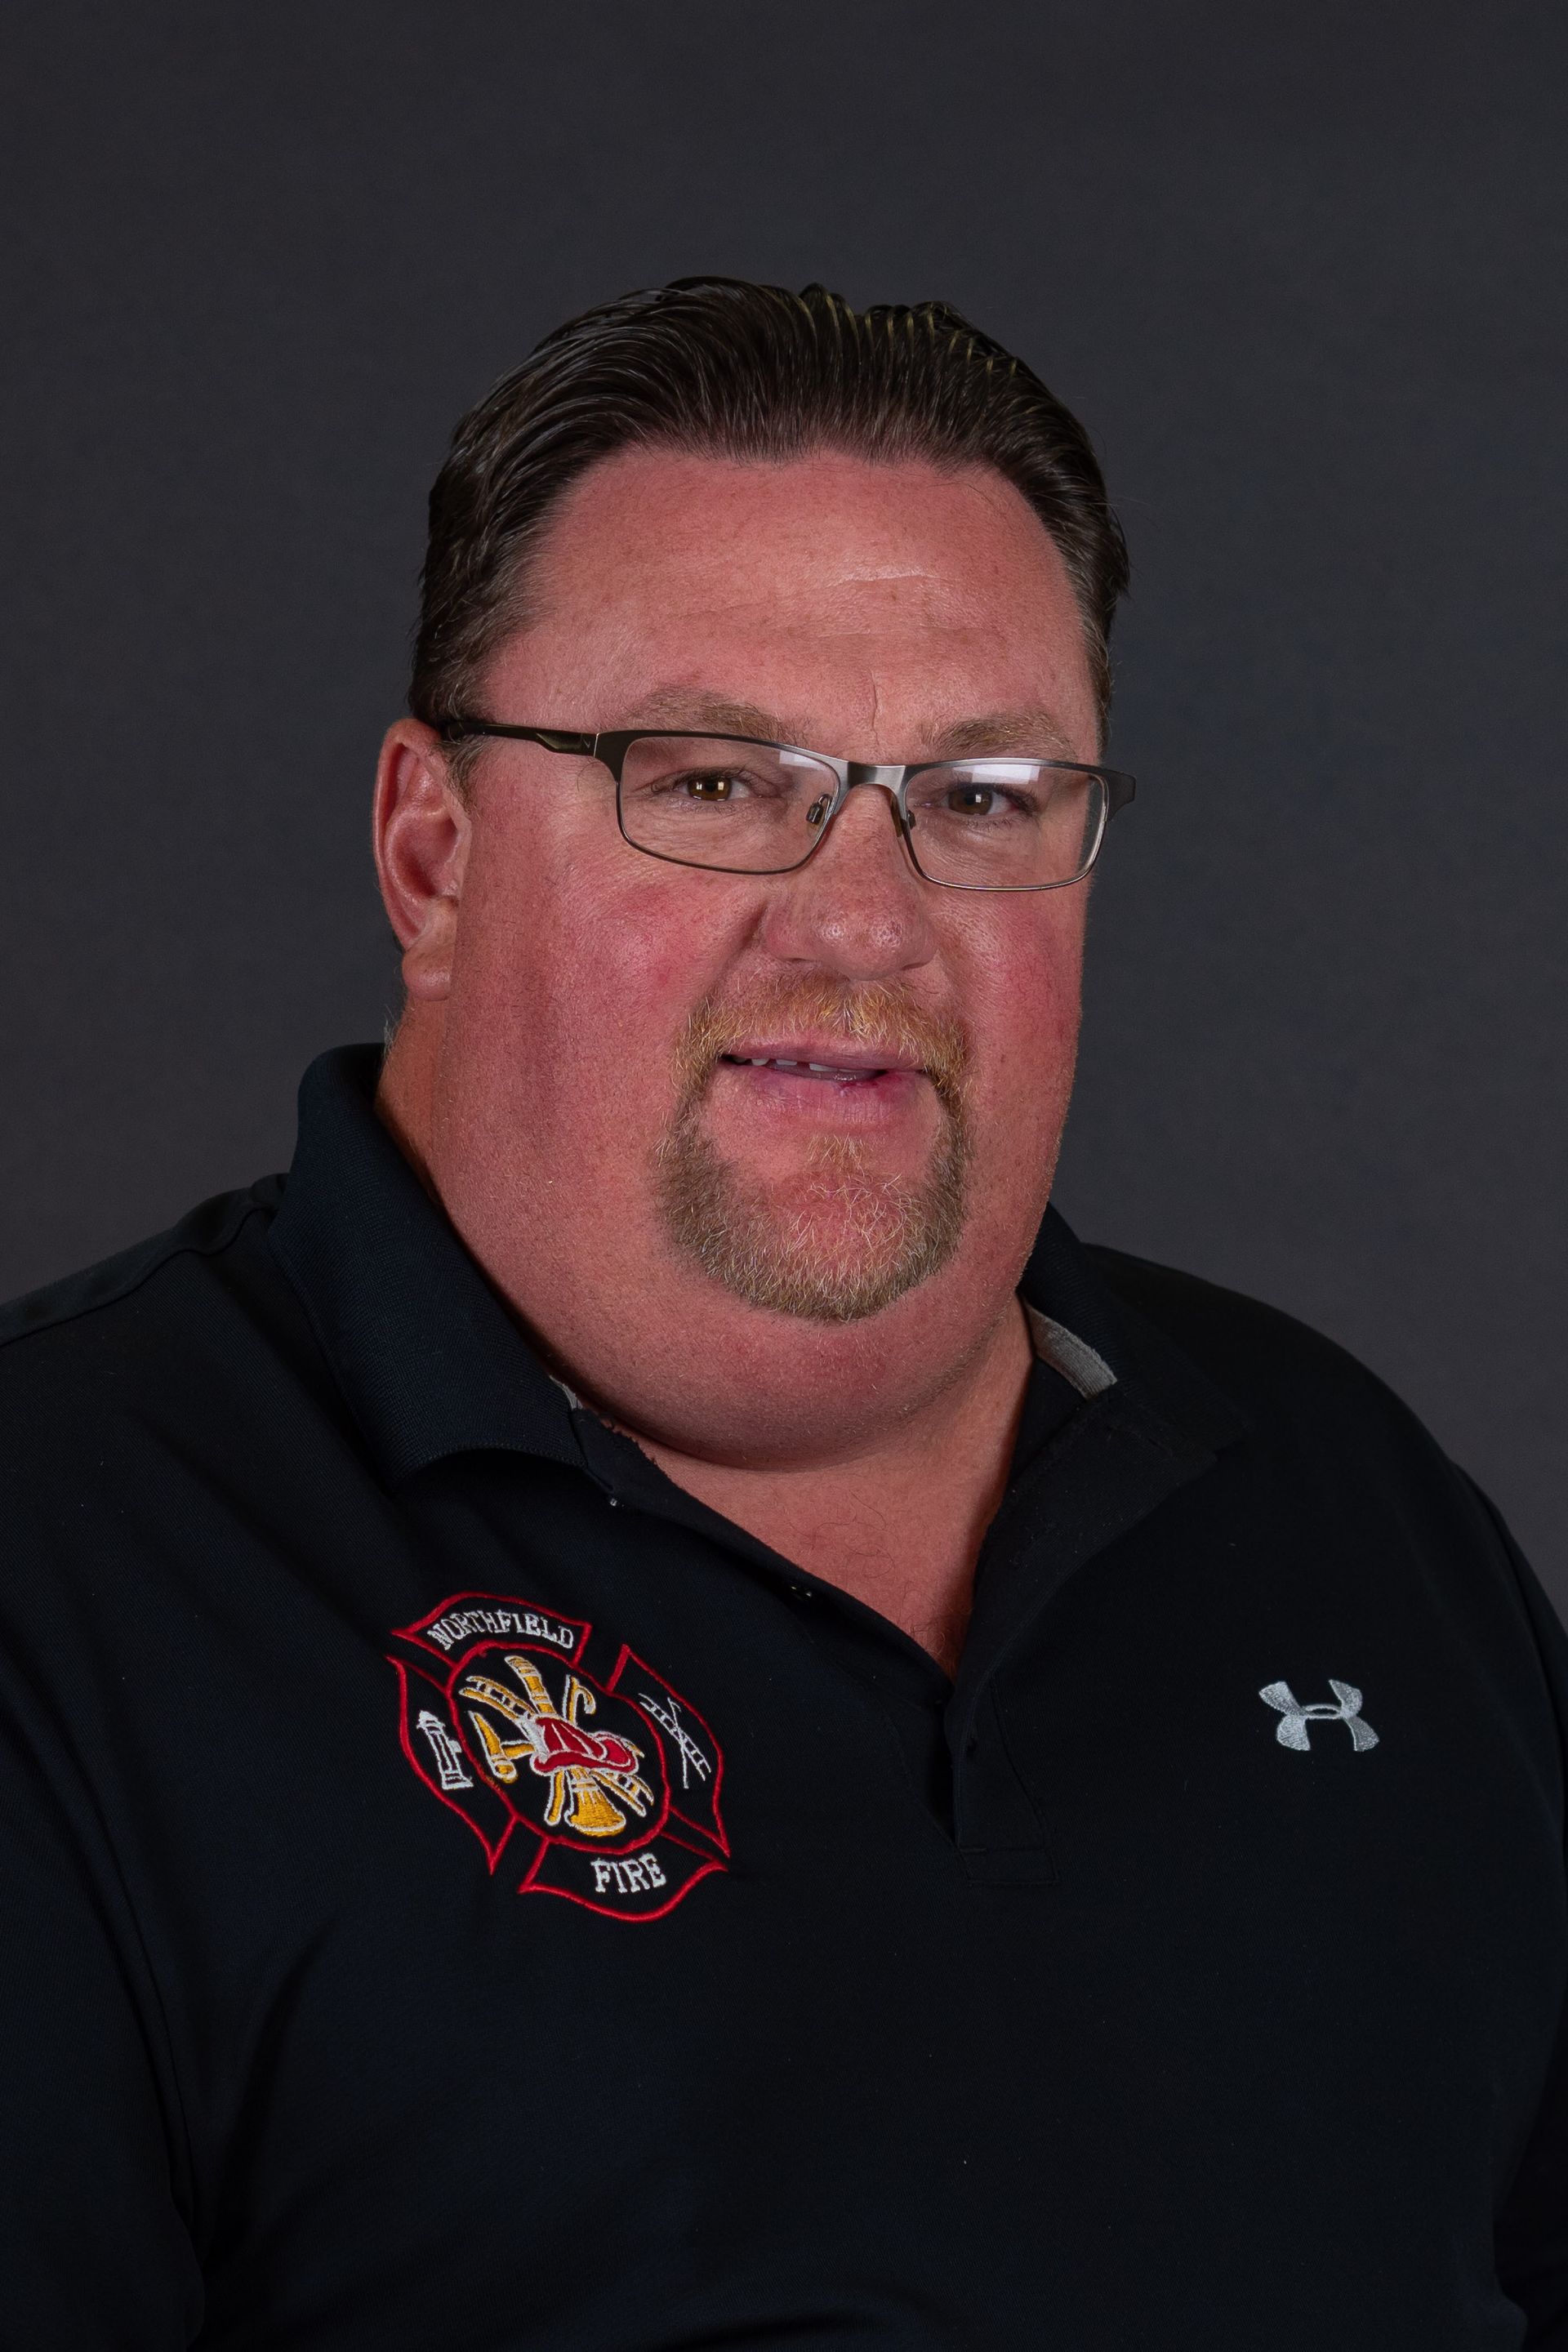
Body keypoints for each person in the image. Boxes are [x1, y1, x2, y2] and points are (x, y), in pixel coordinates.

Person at [1, 277, 1562, 2350]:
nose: (863, 923)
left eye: (982, 795)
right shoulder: (66, 1569)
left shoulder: (1347, 1503)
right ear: (432, 854)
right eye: (718, 781)